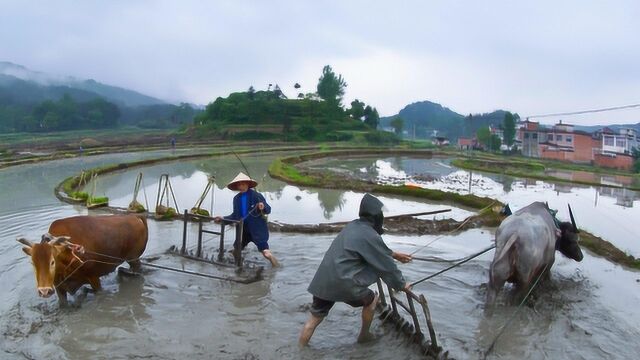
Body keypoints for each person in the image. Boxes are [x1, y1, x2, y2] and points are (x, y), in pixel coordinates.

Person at [299, 193, 412, 346]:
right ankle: (364, 336)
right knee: (372, 300)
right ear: (377, 216)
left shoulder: (353, 226)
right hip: (344, 283)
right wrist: (401, 285)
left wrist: (394, 254)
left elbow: (374, 250)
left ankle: (301, 350)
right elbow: (387, 266)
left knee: (313, 321)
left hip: (323, 282)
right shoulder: (370, 234)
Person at [214, 172, 278, 267]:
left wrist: (262, 206)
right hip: (242, 230)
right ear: (236, 186)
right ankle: (239, 267)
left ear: (248, 184)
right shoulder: (236, 199)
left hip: (257, 229)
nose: (241, 186)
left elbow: (268, 210)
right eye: (239, 184)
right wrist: (222, 219)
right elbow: (235, 216)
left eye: (243, 183)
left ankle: (276, 267)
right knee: (236, 250)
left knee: (266, 253)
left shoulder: (256, 195)